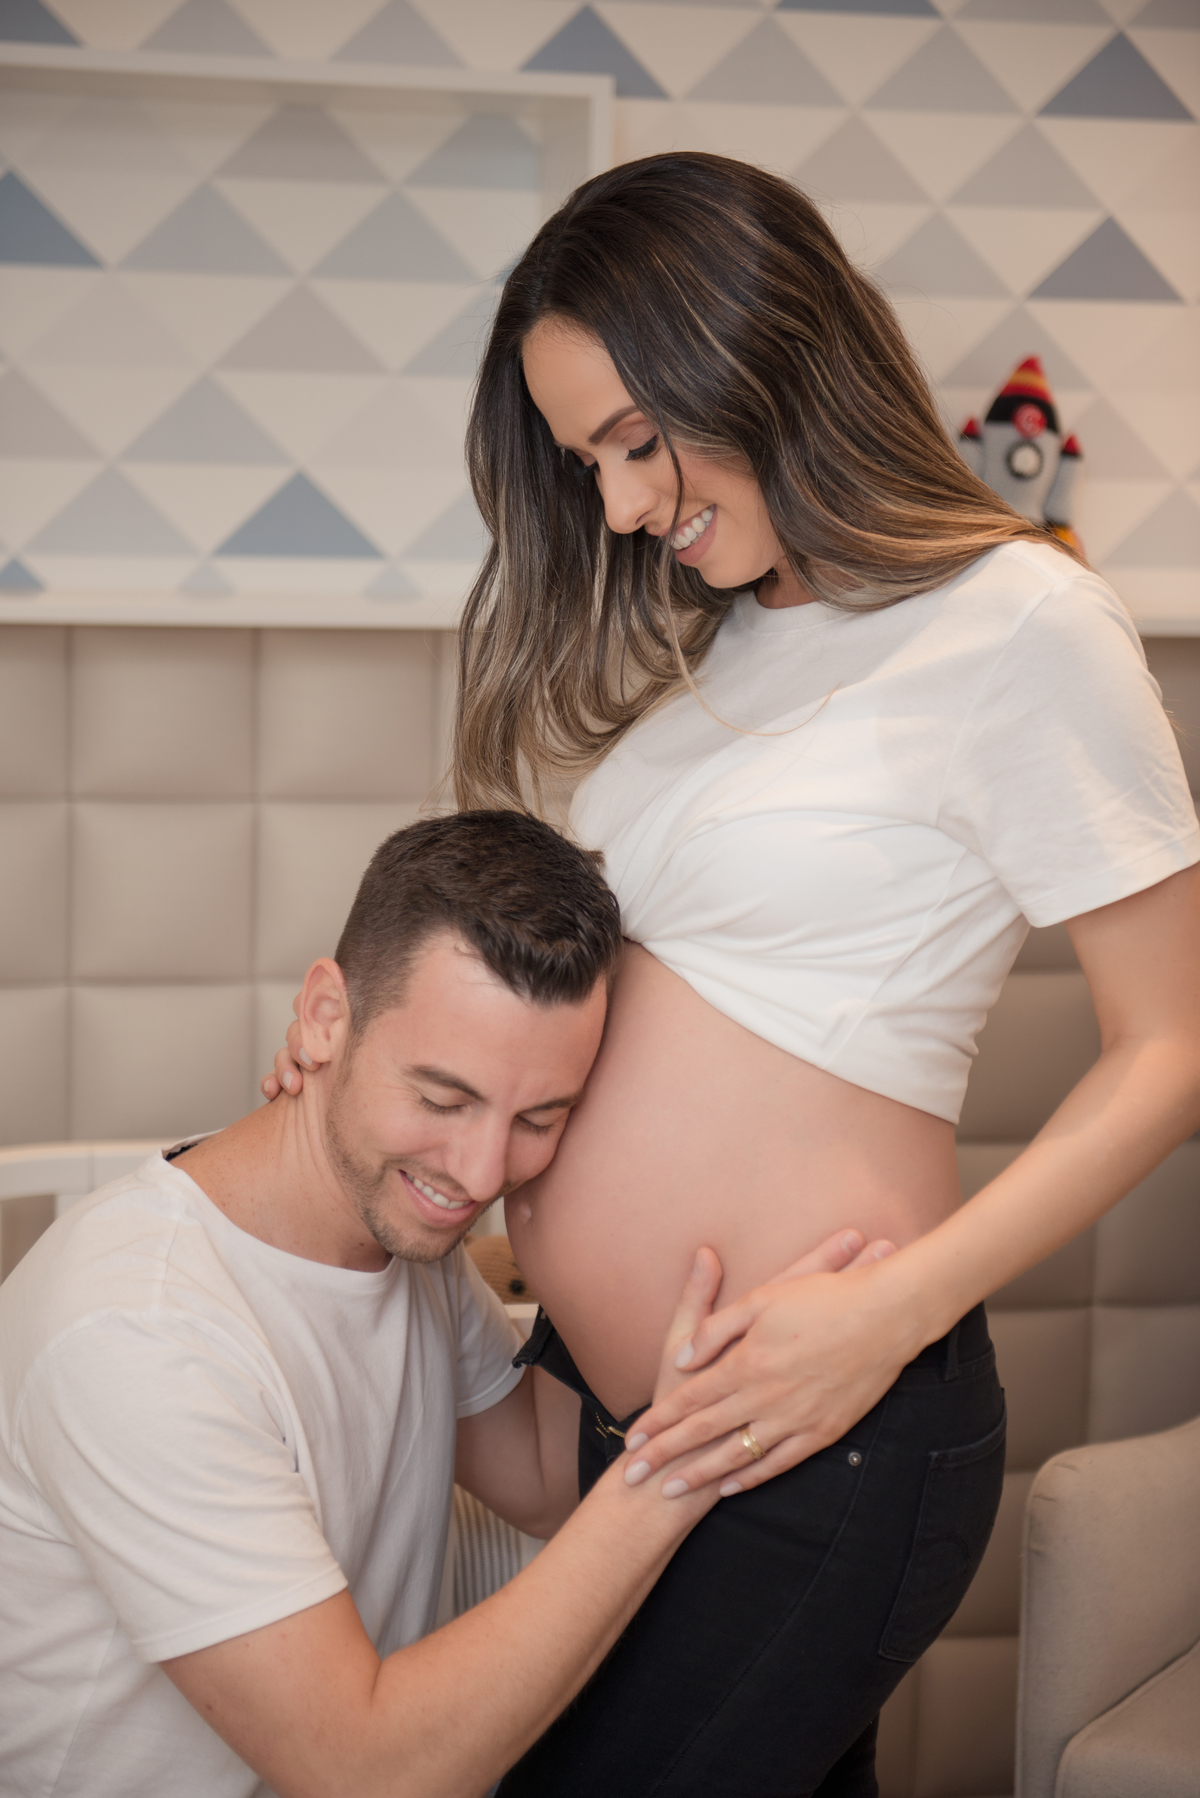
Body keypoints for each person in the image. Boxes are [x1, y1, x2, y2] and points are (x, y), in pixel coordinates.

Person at [266, 154, 1200, 1796]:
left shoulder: (1024, 624)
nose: (621, 504)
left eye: (638, 440)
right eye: (586, 461)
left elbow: (1174, 1044)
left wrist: (886, 1316)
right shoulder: (734, 646)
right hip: (638, 1420)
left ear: (761, 346)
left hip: (828, 1418)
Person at [0, 811, 886, 1798]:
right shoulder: (137, 1334)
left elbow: (547, 1472)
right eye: (442, 1097)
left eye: (538, 1118)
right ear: (326, 1015)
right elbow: (364, 1768)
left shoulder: (398, 1245)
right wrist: (670, 1471)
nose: (480, 1173)